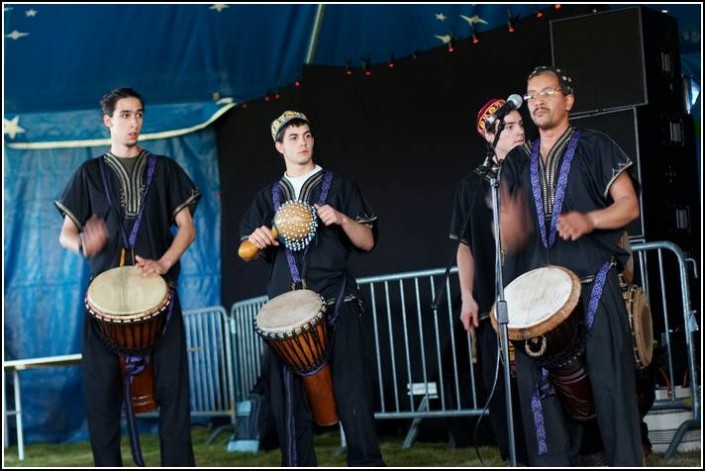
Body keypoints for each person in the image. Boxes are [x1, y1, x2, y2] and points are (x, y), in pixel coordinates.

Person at [499, 66, 643, 466]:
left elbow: (629, 204)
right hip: (538, 300)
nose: (538, 101)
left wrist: (590, 219)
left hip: (592, 283)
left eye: (547, 92)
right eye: (531, 95)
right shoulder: (515, 163)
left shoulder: (596, 146)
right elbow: (510, 233)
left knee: (611, 392)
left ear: (569, 100)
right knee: (539, 400)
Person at [55, 87, 200, 466]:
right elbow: (66, 235)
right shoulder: (89, 173)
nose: (134, 122)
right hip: (103, 306)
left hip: (160, 296)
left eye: (138, 114)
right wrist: (84, 242)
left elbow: (186, 228)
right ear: (108, 121)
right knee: (101, 399)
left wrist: (165, 263)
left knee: (174, 394)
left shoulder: (165, 169)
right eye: (125, 115)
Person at [239, 110, 385, 467]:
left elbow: (367, 242)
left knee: (354, 399)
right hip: (286, 314)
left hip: (338, 301)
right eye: (293, 138)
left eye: (306, 135)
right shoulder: (266, 198)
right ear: (278, 146)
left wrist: (342, 219)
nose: (302, 142)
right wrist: (257, 239)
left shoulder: (340, 186)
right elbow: (244, 250)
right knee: (288, 405)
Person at [448, 98, 529, 464]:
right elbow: (464, 246)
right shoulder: (471, 185)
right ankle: (514, 458)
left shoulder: (536, 170)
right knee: (498, 391)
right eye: (508, 126)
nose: (519, 129)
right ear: (489, 134)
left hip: (537, 298)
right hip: (493, 309)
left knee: (537, 386)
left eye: (519, 123)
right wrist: (467, 295)